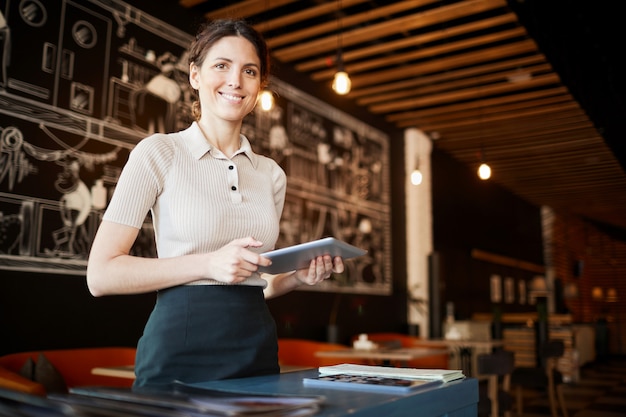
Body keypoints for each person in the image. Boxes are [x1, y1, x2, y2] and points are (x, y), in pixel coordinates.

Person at [86, 19, 344, 391]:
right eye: (221, 65)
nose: (235, 80)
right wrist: (209, 262)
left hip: (255, 347)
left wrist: (297, 278)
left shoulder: (271, 174)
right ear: (195, 75)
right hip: (181, 347)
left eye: (249, 71)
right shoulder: (159, 152)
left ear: (259, 86)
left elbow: (256, 282)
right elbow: (101, 276)